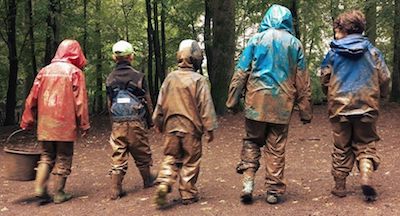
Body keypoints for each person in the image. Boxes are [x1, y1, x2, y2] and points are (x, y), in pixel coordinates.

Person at [226, 4, 312, 204]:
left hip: (256, 101)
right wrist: (305, 111)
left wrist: (232, 100)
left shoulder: (256, 41)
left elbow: (241, 72)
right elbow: (302, 81)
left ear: (266, 19)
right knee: (276, 147)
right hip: (282, 105)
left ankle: (248, 182)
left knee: (251, 140)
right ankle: (273, 190)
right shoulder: (295, 44)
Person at [320, 10, 390, 202]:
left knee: (341, 146)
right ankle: (366, 172)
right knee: (366, 143)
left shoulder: (333, 53)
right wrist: (382, 94)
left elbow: (324, 77)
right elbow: (385, 77)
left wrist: (328, 92)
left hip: (339, 107)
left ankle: (340, 186)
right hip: (367, 104)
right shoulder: (373, 51)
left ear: (342, 29)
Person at [20, 39, 90, 204]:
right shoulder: (75, 73)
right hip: (65, 124)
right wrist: (84, 123)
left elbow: (32, 98)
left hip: (45, 123)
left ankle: (40, 188)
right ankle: (59, 193)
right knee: (64, 156)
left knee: (46, 155)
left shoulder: (44, 71)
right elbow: (80, 101)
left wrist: (27, 119)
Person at [153, 39, 217, 207]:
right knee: (191, 160)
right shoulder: (199, 80)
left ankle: (165, 182)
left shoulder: (170, 78)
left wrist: (157, 121)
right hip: (191, 129)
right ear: (196, 59)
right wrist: (209, 128)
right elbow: (206, 105)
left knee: (171, 156)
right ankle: (188, 193)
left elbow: (160, 103)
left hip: (171, 126)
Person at [106, 40, 156, 200]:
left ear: (115, 58)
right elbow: (147, 99)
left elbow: (109, 102)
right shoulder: (139, 76)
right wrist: (152, 119)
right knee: (142, 151)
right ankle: (148, 180)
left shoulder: (110, 78)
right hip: (136, 120)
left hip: (118, 121)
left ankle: (115, 189)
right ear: (131, 57)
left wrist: (112, 121)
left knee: (118, 152)